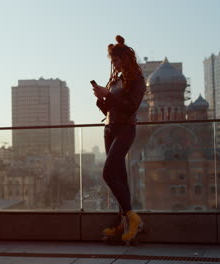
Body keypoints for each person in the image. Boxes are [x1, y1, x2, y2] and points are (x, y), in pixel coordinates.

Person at [91, 35, 145, 243]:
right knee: (119, 177)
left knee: (108, 173)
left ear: (126, 58)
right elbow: (111, 108)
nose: (114, 64)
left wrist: (109, 95)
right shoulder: (117, 81)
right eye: (112, 61)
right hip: (110, 129)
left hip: (125, 130)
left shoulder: (137, 80)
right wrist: (101, 99)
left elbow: (131, 106)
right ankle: (124, 221)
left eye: (117, 60)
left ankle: (133, 218)